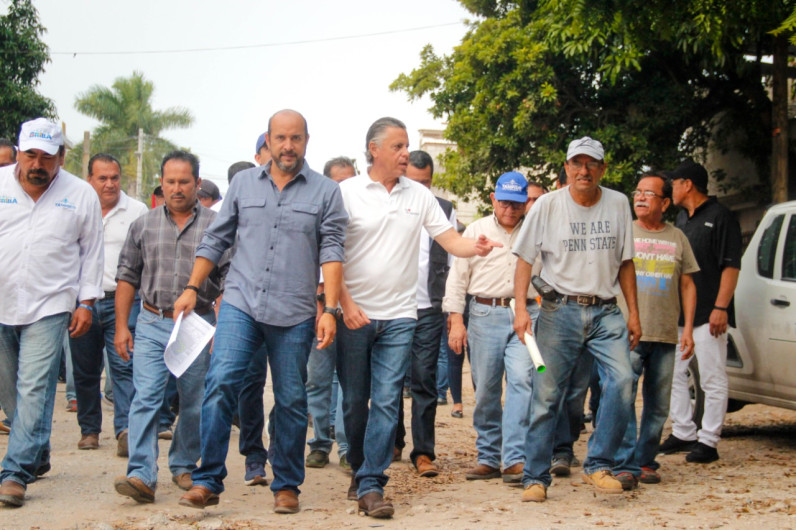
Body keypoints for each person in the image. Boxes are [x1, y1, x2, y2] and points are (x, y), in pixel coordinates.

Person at [177, 109, 348, 515]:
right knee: (220, 384)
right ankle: (207, 479)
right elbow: (216, 239)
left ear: (306, 140)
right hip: (241, 303)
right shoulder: (242, 184)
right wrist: (191, 288)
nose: (288, 146)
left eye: (296, 138)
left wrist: (330, 309)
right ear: (268, 141)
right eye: (280, 138)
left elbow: (332, 250)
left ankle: (286, 484)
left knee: (290, 399)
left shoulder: (326, 192)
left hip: (295, 311)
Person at [337, 117, 500, 518]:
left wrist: (474, 247)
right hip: (354, 314)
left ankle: (372, 483)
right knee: (356, 402)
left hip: (400, 315)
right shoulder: (346, 192)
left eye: (407, 145)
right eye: (397, 146)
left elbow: (451, 240)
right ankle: (359, 467)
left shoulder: (420, 196)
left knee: (388, 400)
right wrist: (342, 302)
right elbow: (329, 253)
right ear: (373, 149)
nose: (405, 153)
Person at [512, 136, 641, 502]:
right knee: (546, 395)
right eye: (576, 163)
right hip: (558, 312)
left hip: (606, 311)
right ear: (566, 167)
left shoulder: (618, 203)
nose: (583, 170)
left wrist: (634, 314)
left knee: (623, 381)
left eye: (591, 164)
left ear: (602, 169)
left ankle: (599, 463)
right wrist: (521, 309)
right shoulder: (548, 206)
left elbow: (626, 262)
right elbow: (523, 259)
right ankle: (535, 477)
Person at [113, 150, 228, 504]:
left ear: (197, 182)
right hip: (152, 320)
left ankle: (182, 464)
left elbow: (227, 281)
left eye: (184, 182)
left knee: (193, 400)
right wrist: (121, 327)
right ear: (161, 183)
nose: (177, 188)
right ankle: (141, 474)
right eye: (170, 182)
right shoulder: (143, 224)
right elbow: (127, 277)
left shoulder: (217, 226)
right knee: (145, 396)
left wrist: (221, 329)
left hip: (197, 324)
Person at [0, 118, 103, 507]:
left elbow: (92, 252)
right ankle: (36, 451)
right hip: (1, 301)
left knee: (34, 386)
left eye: (47, 157)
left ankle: (14, 472)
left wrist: (86, 301)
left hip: (50, 303)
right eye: (30, 155)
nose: (37, 164)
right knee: (10, 390)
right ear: (19, 153)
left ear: (62, 156)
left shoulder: (80, 194)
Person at [444, 171, 534, 485]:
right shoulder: (477, 229)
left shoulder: (534, 230)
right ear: (493, 199)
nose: (510, 209)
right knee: (486, 390)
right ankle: (488, 457)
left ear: (525, 204)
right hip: (484, 313)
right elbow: (458, 277)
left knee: (523, 380)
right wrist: (456, 320)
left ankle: (515, 458)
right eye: (505, 202)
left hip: (525, 315)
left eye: (517, 204)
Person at [612, 172, 699, 488]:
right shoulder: (624, 233)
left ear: (665, 202)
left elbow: (688, 284)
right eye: (637, 191)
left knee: (658, 405)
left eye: (649, 193)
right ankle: (623, 463)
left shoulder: (678, 237)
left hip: (664, 334)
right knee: (623, 396)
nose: (640, 197)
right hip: (627, 332)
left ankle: (645, 460)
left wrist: (687, 328)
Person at [660, 160, 742, 464]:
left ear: (688, 184)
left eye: (674, 183)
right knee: (675, 375)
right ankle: (683, 431)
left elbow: (731, 266)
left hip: (710, 314)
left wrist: (722, 307)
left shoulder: (721, 217)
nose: (671, 189)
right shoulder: (682, 219)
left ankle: (709, 440)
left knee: (711, 378)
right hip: (681, 316)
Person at [69, 154, 148, 456]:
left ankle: (125, 430)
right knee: (85, 370)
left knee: (124, 366)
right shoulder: (76, 208)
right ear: (89, 179)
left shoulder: (137, 211)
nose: (110, 184)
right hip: (84, 302)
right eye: (102, 178)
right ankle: (89, 430)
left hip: (123, 300)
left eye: (114, 177)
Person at [394, 150, 456, 477]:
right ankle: (394, 440)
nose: (421, 188)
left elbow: (454, 261)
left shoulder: (444, 210)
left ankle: (423, 452)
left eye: (427, 182)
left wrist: (451, 308)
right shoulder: (391, 204)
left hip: (429, 308)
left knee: (424, 379)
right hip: (392, 306)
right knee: (390, 380)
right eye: (415, 182)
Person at [305, 156, 356, 471]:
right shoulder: (314, 216)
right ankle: (320, 444)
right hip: (321, 307)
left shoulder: (363, 217)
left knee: (350, 382)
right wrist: (317, 305)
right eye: (338, 183)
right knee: (318, 380)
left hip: (352, 311)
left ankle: (348, 448)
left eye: (349, 182)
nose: (343, 190)